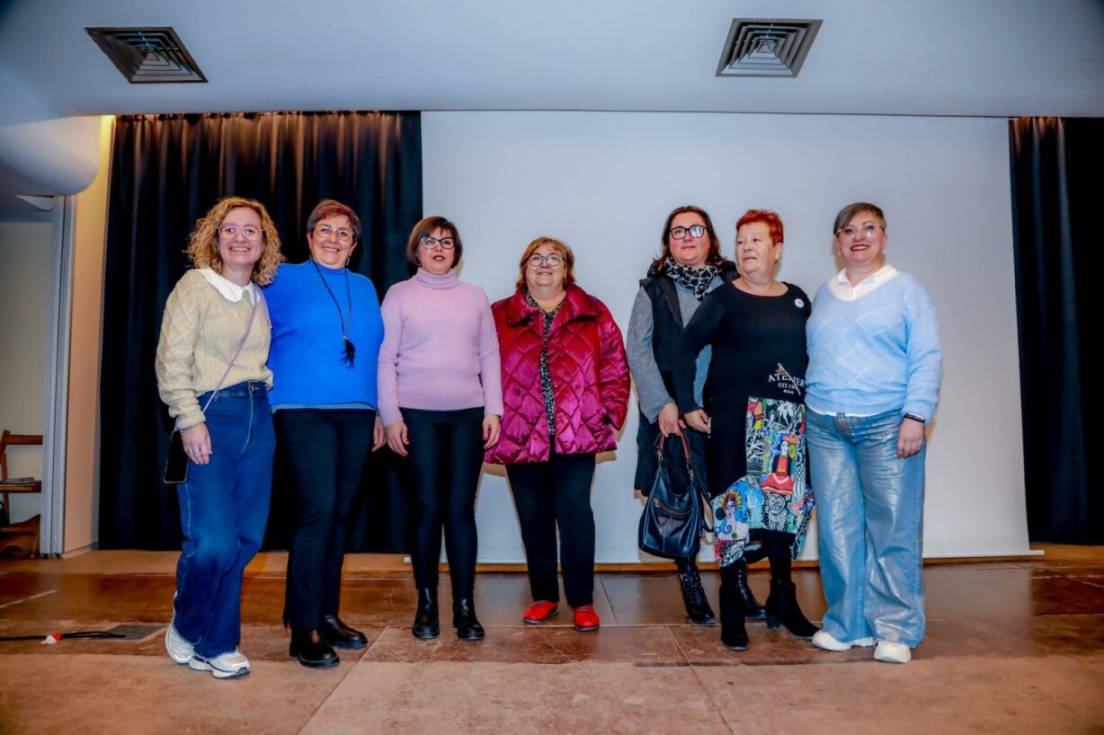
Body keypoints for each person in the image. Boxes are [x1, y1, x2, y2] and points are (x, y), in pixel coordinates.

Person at [805, 202, 942, 665]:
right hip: (825, 425)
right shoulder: (826, 292)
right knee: (838, 531)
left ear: (884, 237)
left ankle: (897, 629)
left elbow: (927, 357)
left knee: (893, 529)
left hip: (887, 423)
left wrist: (916, 415)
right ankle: (848, 625)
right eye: (848, 230)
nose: (858, 237)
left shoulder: (906, 290)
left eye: (868, 228)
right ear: (837, 242)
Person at [675, 209, 817, 651]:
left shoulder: (797, 299)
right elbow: (683, 349)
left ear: (777, 249)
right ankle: (732, 606)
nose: (747, 248)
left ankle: (783, 599)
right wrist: (687, 404)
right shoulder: (723, 300)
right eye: (741, 241)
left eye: (756, 240)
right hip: (737, 423)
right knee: (735, 515)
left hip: (787, 424)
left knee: (783, 518)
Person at [156, 196, 284, 679]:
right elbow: (172, 359)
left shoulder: (257, 297)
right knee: (212, 545)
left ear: (263, 242)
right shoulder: (195, 286)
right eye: (229, 229)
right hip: (210, 414)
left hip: (257, 415)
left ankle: (218, 642)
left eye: (250, 230)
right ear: (215, 237)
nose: (239, 238)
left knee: (246, 539)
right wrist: (188, 419)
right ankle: (189, 622)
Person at [485, 237, 630, 633]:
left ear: (567, 269)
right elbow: (480, 367)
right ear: (524, 268)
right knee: (533, 517)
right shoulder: (499, 314)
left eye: (554, 258)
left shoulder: (593, 311)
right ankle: (544, 596)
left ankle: (582, 600)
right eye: (536, 258)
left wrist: (609, 415)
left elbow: (615, 367)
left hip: (576, 434)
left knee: (575, 514)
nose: (545, 264)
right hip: (519, 433)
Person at [264, 199, 386, 668]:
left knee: (339, 514)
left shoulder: (365, 286)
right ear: (310, 236)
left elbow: (374, 354)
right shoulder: (281, 279)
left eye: (343, 233)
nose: (333, 239)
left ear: (354, 245)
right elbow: (251, 334)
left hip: (356, 413)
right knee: (317, 509)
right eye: (325, 230)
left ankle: (327, 614)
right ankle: (302, 625)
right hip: (300, 410)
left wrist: (376, 409)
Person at [378, 216, 503, 642]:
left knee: (460, 511)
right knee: (428, 510)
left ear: (456, 251)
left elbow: (489, 355)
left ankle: (465, 608)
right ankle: (427, 603)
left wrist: (494, 410)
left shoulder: (475, 296)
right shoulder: (398, 295)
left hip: (468, 415)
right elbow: (384, 359)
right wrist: (391, 415)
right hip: (416, 417)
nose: (438, 248)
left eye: (446, 242)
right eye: (429, 241)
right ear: (416, 249)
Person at [626, 205, 748, 626]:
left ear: (710, 238)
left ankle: (738, 582)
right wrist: (662, 405)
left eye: (696, 229)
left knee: (733, 501)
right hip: (674, 415)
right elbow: (638, 351)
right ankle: (690, 581)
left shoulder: (734, 284)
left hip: (726, 412)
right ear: (668, 244)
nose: (687, 237)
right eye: (678, 232)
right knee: (682, 500)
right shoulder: (653, 290)